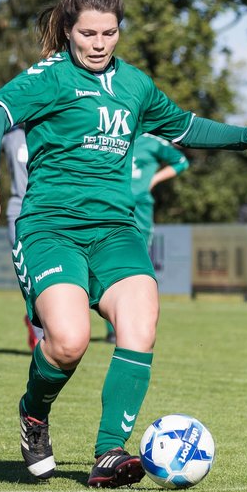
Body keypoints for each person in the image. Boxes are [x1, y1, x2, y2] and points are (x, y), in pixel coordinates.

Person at [0, 0, 247, 488]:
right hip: (51, 229)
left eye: (109, 33)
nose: (99, 44)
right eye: (88, 34)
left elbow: (187, 127)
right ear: (68, 30)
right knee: (69, 342)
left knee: (140, 322)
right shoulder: (48, 77)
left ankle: (108, 453)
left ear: (120, 30)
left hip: (116, 230)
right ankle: (34, 415)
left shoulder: (135, 85)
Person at [104, 133, 189, 344]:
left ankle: (132, 324)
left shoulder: (153, 141)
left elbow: (181, 162)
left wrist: (154, 179)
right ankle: (113, 329)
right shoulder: (113, 135)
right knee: (110, 268)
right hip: (111, 207)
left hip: (140, 211)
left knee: (137, 270)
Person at [2, 125, 44, 350]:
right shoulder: (10, 134)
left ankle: (45, 326)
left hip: (48, 209)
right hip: (18, 208)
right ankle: (39, 332)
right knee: (28, 272)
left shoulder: (52, 125)